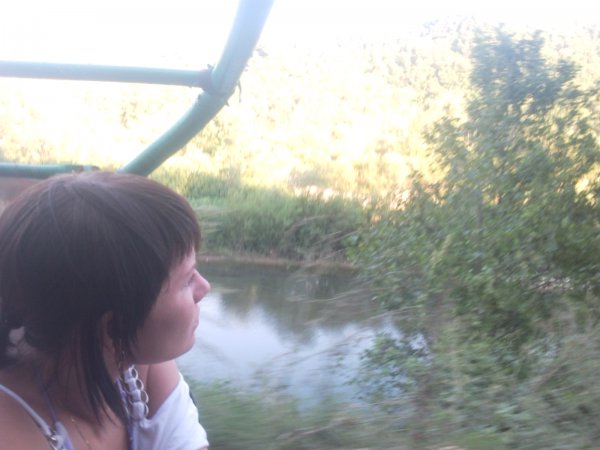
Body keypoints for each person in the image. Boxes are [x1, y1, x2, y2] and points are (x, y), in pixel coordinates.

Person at [0, 171, 211, 450]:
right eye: (187, 280)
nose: (204, 287)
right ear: (113, 327)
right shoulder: (11, 431)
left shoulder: (138, 371)